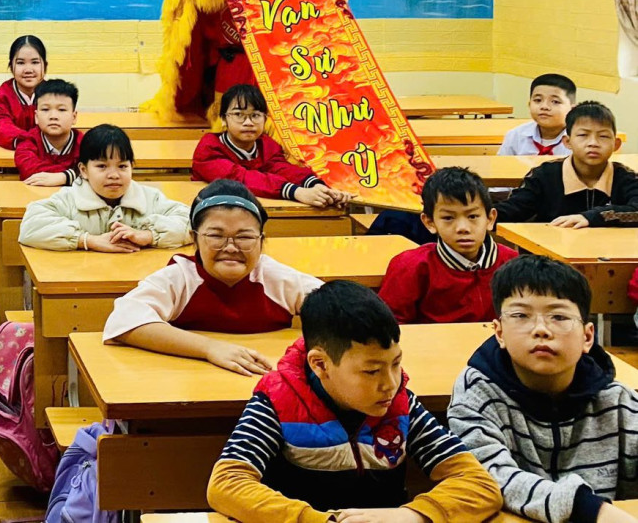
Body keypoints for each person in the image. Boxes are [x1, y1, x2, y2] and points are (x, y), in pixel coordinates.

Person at [207, 280, 502, 523]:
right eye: (371, 371)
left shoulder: (400, 403)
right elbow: (227, 483)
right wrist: (318, 520)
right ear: (320, 364)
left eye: (396, 363)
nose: (390, 383)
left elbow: (479, 484)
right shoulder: (277, 401)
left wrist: (412, 515)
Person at [450, 255, 638, 523]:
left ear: (587, 336)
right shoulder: (477, 396)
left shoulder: (617, 401)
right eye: (520, 315)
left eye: (559, 316)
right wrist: (588, 508)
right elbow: (487, 478)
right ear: (499, 332)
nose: (541, 329)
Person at [103, 180, 321, 375]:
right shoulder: (181, 277)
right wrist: (209, 348)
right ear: (194, 239)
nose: (231, 247)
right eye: (216, 235)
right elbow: (123, 320)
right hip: (192, 383)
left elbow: (334, 307)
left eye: (245, 237)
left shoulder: (275, 277)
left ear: (261, 241)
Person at [19, 125, 192, 252]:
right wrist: (87, 240)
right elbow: (30, 228)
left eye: (122, 166)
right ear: (84, 170)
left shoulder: (149, 198)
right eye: (102, 166)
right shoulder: (70, 198)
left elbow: (192, 223)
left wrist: (147, 235)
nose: (114, 175)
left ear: (132, 167)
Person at [377, 167, 517, 324]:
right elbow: (388, 325)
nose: (463, 228)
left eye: (473, 216)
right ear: (429, 222)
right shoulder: (411, 267)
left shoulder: (511, 263)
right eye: (448, 218)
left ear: (490, 219)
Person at [191, 84, 351, 208]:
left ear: (265, 119)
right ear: (223, 119)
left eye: (255, 115)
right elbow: (241, 179)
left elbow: (283, 169)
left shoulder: (267, 144)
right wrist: (296, 192)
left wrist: (320, 187)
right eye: (239, 115)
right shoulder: (209, 148)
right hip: (216, 210)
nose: (248, 122)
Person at [497, 101, 638, 226]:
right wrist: (486, 213)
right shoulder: (544, 176)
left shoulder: (626, 178)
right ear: (567, 142)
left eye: (603, 136)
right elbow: (514, 209)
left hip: (609, 247)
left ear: (616, 144)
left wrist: (592, 217)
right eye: (583, 135)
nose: (593, 143)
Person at [14, 79, 83, 187]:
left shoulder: (85, 143)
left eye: (61, 110)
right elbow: (30, 170)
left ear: (74, 117)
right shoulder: (27, 141)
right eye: (45, 109)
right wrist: (71, 175)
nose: (53, 116)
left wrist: (64, 177)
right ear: (36, 117)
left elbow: (97, 173)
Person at [0, 35, 46, 150]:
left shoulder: (55, 95)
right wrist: (29, 141)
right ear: (11, 66)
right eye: (20, 63)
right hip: (11, 157)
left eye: (35, 62)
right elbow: (0, 127)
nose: (28, 70)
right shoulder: (0, 97)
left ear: (45, 65)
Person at [499, 73, 577, 157]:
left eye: (555, 102)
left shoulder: (579, 139)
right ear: (529, 104)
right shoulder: (516, 136)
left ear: (572, 109)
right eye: (538, 100)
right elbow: (500, 164)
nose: (544, 106)